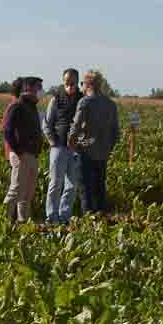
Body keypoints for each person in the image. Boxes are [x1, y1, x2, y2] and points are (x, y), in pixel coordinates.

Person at [70, 70, 120, 214]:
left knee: (85, 190)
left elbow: (75, 127)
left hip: (85, 152)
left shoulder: (85, 102)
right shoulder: (110, 104)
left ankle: (88, 223)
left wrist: (72, 145)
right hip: (102, 154)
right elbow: (115, 132)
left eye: (82, 84)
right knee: (100, 190)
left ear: (88, 85)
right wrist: (107, 149)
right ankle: (101, 223)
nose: (82, 87)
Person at [42, 68, 83, 225]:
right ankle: (51, 216)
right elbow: (46, 123)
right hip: (58, 147)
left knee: (72, 185)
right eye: (67, 83)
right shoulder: (56, 99)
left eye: (72, 83)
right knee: (55, 183)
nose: (70, 86)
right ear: (63, 82)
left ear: (77, 82)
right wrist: (52, 141)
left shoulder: (82, 99)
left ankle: (64, 216)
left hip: (76, 149)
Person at [1, 77, 45, 224]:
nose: (40, 91)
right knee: (16, 189)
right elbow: (7, 130)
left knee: (28, 192)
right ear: (28, 89)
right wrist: (17, 150)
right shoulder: (18, 106)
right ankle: (3, 220)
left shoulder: (32, 107)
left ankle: (23, 221)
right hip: (22, 154)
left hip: (32, 154)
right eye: (38, 88)